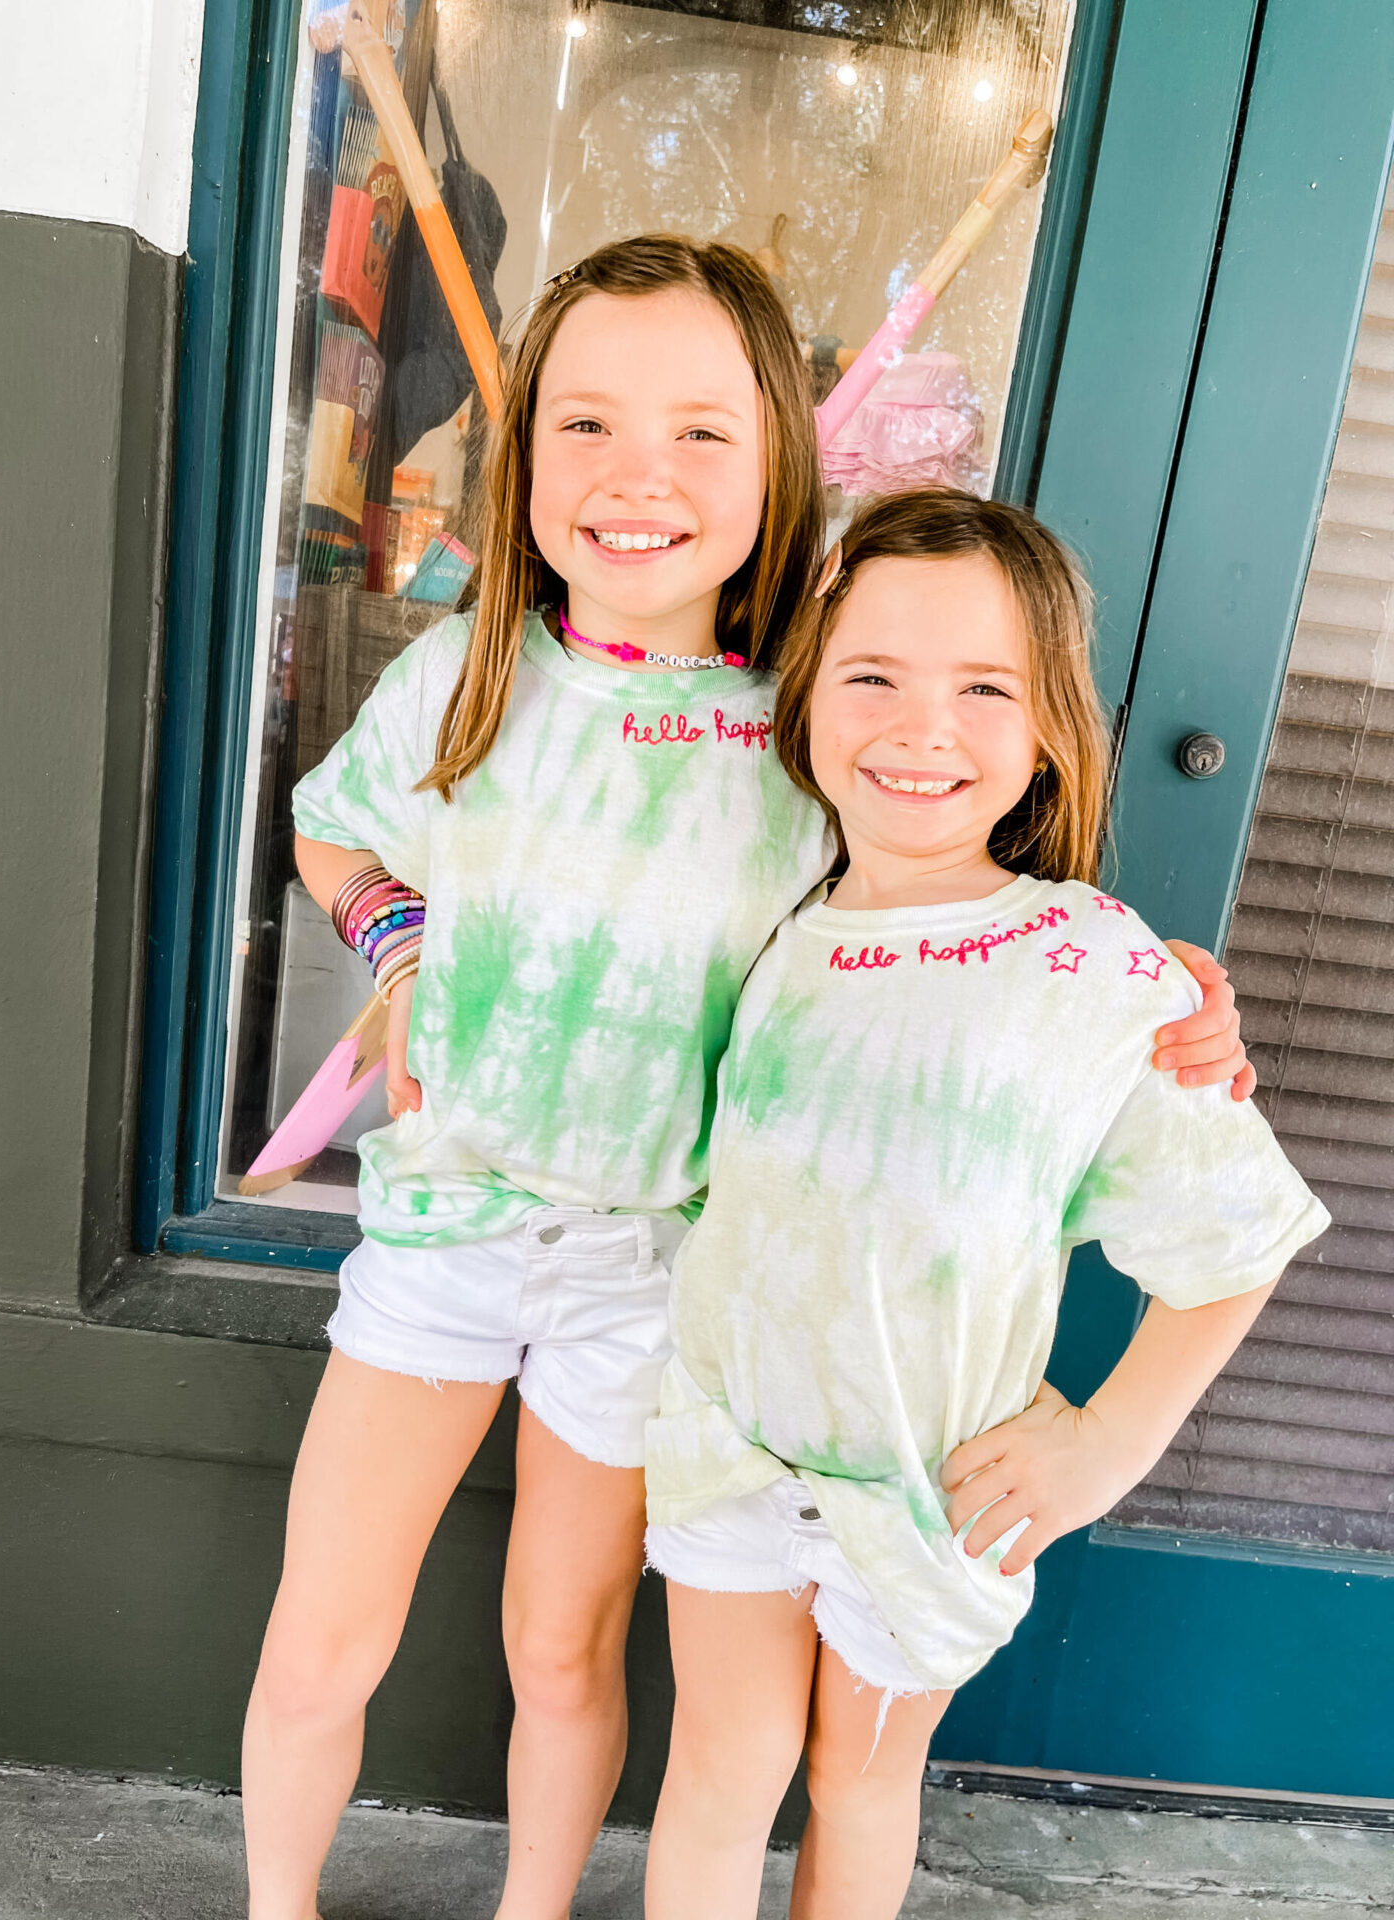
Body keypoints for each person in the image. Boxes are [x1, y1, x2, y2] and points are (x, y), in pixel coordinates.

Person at [242, 239, 1251, 1920]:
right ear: (525, 452)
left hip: (661, 1278)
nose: (637, 476)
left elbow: (950, 910)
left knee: (560, 1650)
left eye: (702, 431)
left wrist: (1164, 997)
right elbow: (334, 829)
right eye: (586, 424)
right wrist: (403, 944)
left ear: (779, 459)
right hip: (442, 1233)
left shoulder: (810, 726)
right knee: (322, 1637)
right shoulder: (460, 677)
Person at [642, 488, 1327, 1920]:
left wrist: (1108, 1444)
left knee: (860, 1784)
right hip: (731, 1444)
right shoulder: (765, 914)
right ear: (806, 697)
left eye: (983, 689)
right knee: (719, 1767)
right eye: (873, 676)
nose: (921, 728)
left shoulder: (1091, 968)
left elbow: (1233, 1241)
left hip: (930, 1496)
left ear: (1047, 730)